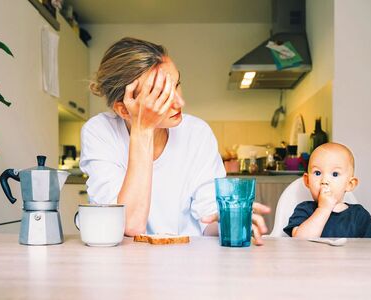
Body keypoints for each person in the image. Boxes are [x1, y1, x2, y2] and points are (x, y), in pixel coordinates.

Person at [80, 37, 270, 244]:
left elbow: (208, 219)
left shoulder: (198, 133)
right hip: (125, 265)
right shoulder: (99, 132)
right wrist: (143, 130)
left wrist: (232, 220)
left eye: (177, 85)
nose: (180, 102)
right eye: (161, 95)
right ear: (124, 109)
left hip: (188, 260)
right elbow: (129, 225)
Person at [284, 142, 371, 238]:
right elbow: (299, 242)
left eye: (335, 174)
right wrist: (323, 209)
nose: (324, 181)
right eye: (317, 173)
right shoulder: (304, 210)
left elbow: (370, 248)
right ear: (307, 180)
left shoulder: (359, 215)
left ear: (349, 184)